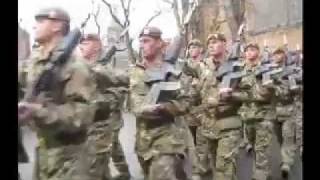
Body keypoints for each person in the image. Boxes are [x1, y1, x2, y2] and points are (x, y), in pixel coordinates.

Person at [18, 7, 98, 180]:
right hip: (43, 152)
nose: (34, 26)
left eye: (41, 21)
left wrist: (39, 112)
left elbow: (82, 116)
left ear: (57, 26)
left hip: (70, 160)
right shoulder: (35, 60)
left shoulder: (75, 66)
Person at [129, 26, 195, 180]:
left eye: (146, 41)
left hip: (168, 141)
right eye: (141, 42)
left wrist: (167, 107)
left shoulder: (174, 70)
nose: (142, 45)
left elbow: (188, 100)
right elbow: (134, 103)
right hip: (144, 142)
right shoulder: (135, 72)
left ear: (160, 43)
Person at [77, 33, 130, 180]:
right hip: (87, 123)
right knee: (104, 155)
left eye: (86, 43)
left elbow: (122, 88)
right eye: (81, 43)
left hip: (107, 121)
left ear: (97, 47)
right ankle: (121, 173)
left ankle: (122, 174)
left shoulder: (105, 69)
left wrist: (104, 101)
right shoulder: (78, 67)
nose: (81, 46)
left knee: (106, 152)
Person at [194, 33, 243, 180]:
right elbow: (195, 95)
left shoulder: (236, 65)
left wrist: (232, 95)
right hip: (208, 126)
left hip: (229, 124)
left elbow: (250, 94)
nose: (211, 45)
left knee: (225, 170)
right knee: (217, 166)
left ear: (224, 43)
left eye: (215, 42)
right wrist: (199, 115)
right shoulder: (202, 67)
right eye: (209, 43)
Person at [238, 43, 276, 180]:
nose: (249, 52)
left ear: (258, 52)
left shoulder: (266, 69)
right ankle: (263, 172)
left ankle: (260, 175)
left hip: (263, 116)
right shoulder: (240, 70)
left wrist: (249, 95)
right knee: (255, 148)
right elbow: (237, 91)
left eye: (252, 50)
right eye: (247, 50)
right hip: (247, 116)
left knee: (262, 149)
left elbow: (268, 93)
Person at [271, 47, 301, 178]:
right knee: (280, 137)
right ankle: (286, 154)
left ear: (284, 55)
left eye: (279, 54)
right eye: (275, 54)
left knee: (288, 137)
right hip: (274, 111)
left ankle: (286, 163)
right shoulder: (268, 71)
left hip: (288, 109)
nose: (277, 56)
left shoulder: (291, 70)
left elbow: (298, 86)